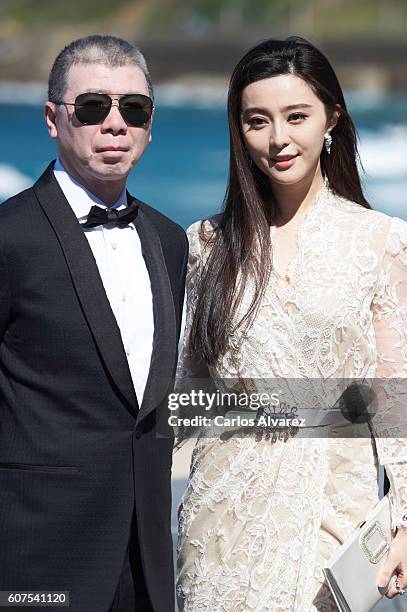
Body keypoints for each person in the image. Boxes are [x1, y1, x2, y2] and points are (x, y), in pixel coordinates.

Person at [176, 37, 407, 610]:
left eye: (296, 116)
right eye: (258, 121)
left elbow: (394, 396)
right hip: (223, 508)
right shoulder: (206, 245)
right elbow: (188, 394)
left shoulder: (380, 241)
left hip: (332, 507)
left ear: (332, 117)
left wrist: (404, 518)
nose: (278, 139)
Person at [0, 35, 187, 612]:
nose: (114, 124)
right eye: (92, 106)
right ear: (54, 120)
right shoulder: (10, 237)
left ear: (150, 125)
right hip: (37, 557)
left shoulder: (169, 239)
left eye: (133, 109)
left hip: (147, 556)